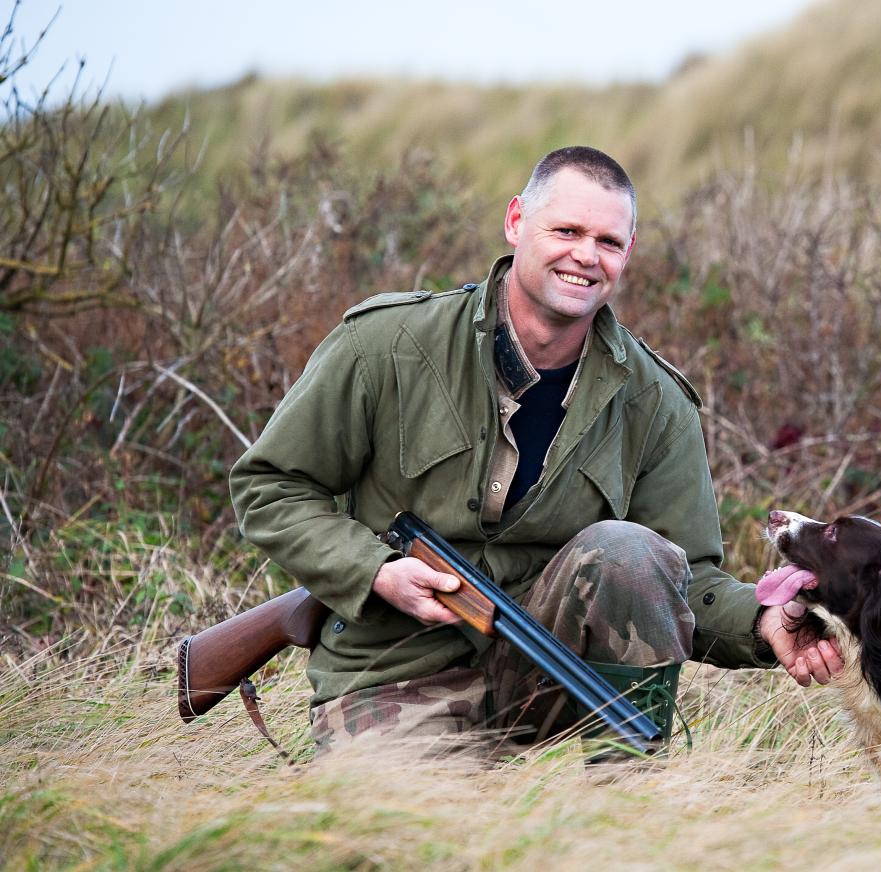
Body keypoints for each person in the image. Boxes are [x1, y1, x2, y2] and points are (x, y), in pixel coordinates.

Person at [229, 146, 840, 754]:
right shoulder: (386, 345)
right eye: (567, 230)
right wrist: (375, 572)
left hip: (552, 684)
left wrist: (764, 625)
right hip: (392, 679)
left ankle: (629, 799)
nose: (585, 256)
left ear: (628, 252)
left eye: (607, 241)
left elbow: (686, 578)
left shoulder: (655, 400)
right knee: (422, 843)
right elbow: (272, 485)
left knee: (629, 550)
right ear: (517, 221)